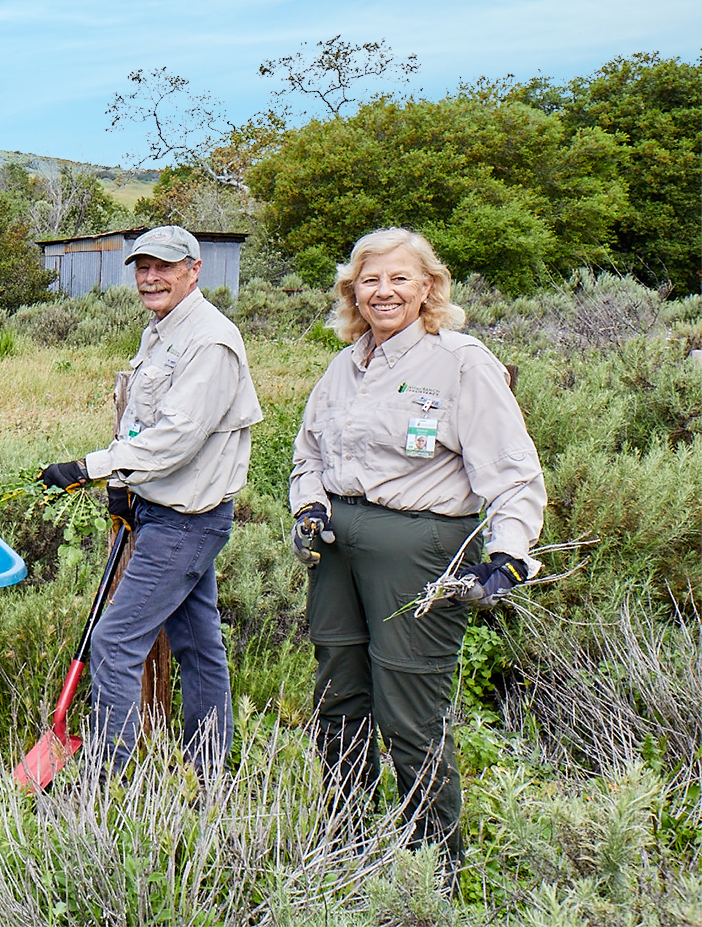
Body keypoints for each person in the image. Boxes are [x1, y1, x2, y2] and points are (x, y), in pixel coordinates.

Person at [289, 227, 545, 880]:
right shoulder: (343, 365)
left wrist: (507, 554)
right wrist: (310, 506)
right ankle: (342, 843)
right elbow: (308, 456)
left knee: (409, 714)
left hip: (420, 547)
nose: (384, 292)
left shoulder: (460, 362)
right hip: (337, 549)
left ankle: (433, 871)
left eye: (400, 278)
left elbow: (513, 475)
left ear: (429, 287)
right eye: (369, 280)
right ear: (353, 292)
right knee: (338, 702)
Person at [39, 225, 263, 772]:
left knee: (114, 646)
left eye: (164, 267)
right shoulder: (161, 332)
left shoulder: (209, 342)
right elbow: (142, 425)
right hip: (161, 509)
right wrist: (123, 486)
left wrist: (89, 468)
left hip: (187, 520)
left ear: (194, 270)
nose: (151, 278)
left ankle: (103, 781)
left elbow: (177, 438)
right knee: (199, 645)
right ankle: (207, 771)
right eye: (142, 268)